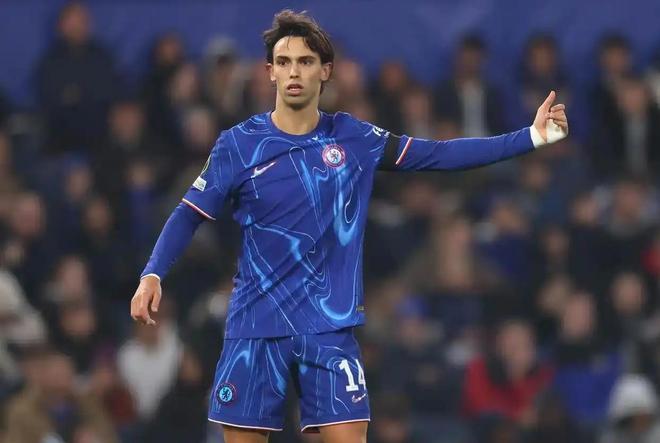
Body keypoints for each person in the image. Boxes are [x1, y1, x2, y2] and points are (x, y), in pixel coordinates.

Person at [130, 9, 568, 443]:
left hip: (328, 328)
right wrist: (153, 273)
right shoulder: (239, 144)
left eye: (305, 61)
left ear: (326, 71)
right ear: (269, 72)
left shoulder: (354, 139)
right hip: (255, 325)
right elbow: (189, 213)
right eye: (284, 62)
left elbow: (438, 154)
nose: (294, 72)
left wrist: (530, 136)